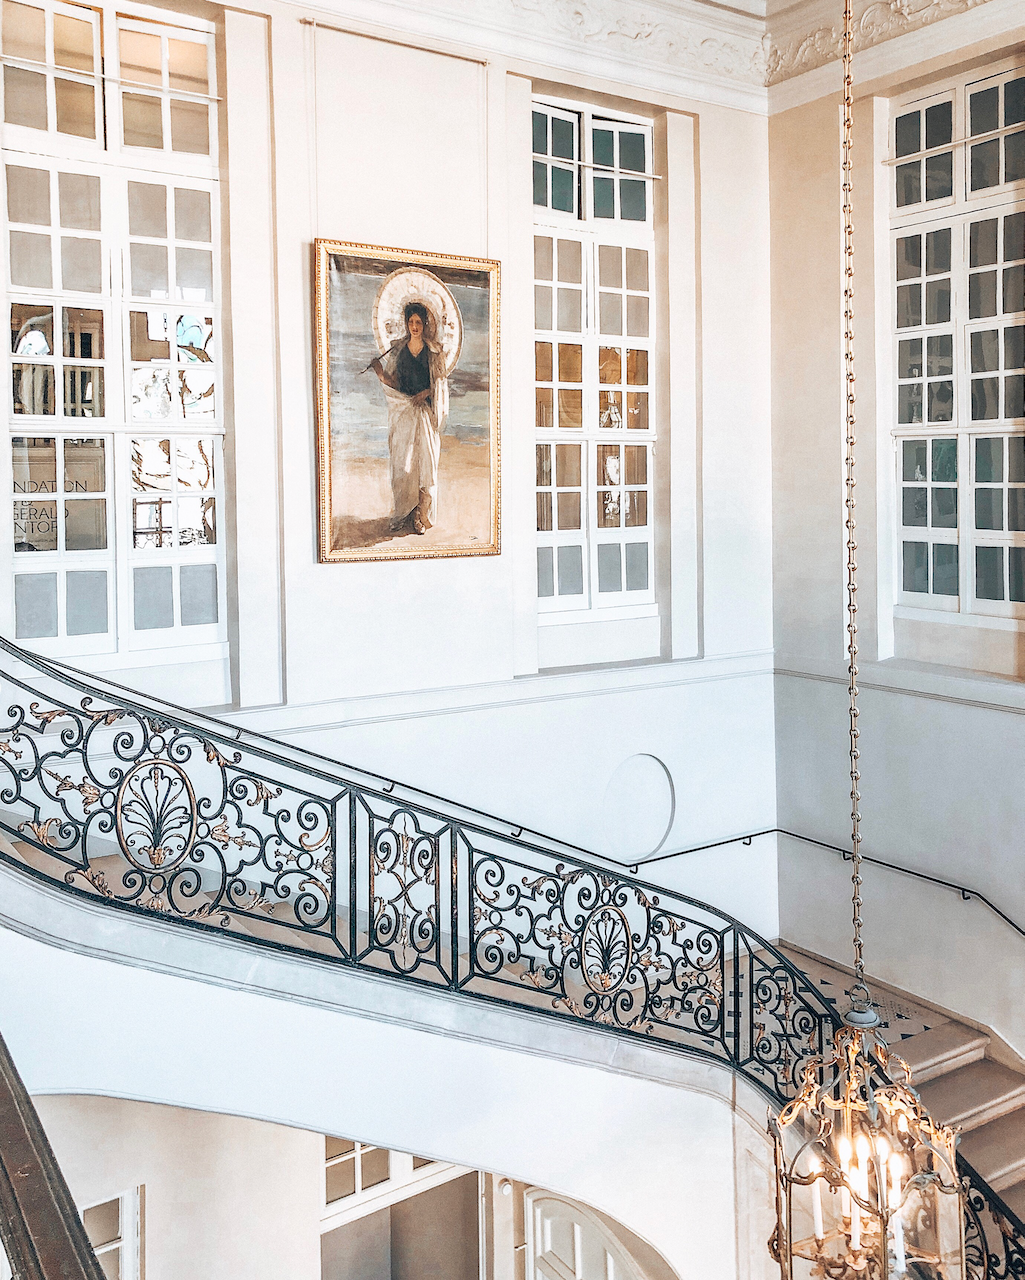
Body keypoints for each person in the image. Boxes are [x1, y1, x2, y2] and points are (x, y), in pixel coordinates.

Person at [370, 302, 450, 535]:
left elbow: (441, 386)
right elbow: (395, 382)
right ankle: (403, 512)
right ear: (406, 324)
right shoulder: (398, 350)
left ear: (425, 324)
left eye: (418, 322)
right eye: (410, 322)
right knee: (403, 465)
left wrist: (426, 392)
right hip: (404, 411)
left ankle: (420, 516)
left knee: (425, 463)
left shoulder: (435, 352)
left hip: (424, 412)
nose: (414, 326)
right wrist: (380, 373)